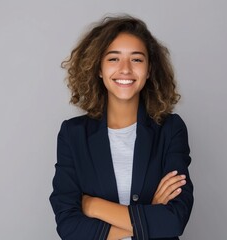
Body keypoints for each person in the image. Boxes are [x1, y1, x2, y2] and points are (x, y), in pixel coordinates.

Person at [49, 14, 194, 240]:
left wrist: (94, 206)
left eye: (136, 59)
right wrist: (150, 215)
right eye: (113, 59)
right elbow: (69, 227)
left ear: (149, 70)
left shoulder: (170, 130)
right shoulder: (73, 134)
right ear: (98, 68)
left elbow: (174, 220)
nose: (125, 69)